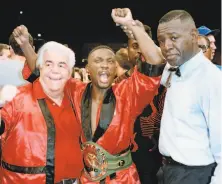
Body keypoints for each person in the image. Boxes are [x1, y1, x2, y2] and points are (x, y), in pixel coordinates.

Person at [13, 23, 164, 183]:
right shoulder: (74, 91)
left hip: (122, 178)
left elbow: (154, 62)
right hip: (87, 178)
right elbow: (41, 74)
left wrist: (132, 26)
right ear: (87, 68)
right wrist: (25, 45)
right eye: (98, 61)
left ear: (115, 67)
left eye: (110, 61)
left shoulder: (127, 93)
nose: (105, 65)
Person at [0, 41, 83, 184]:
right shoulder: (17, 98)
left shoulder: (79, 99)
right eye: (48, 64)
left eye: (61, 65)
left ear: (70, 72)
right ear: (39, 68)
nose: (55, 70)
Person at [156, 10, 221, 184]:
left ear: (194, 35)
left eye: (174, 37)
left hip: (195, 175)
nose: (166, 46)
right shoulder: (174, 68)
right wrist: (132, 25)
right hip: (168, 170)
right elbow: (153, 56)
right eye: (161, 40)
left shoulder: (212, 79)